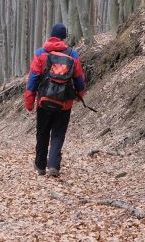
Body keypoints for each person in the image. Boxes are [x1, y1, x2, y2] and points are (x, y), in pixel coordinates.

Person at [24, 23, 86, 177]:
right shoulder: (73, 54)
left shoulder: (40, 53)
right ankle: (53, 166)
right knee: (58, 134)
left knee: (42, 133)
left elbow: (33, 78)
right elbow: (79, 78)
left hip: (44, 102)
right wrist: (80, 94)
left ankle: (40, 165)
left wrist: (29, 101)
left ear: (51, 35)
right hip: (64, 104)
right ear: (64, 37)